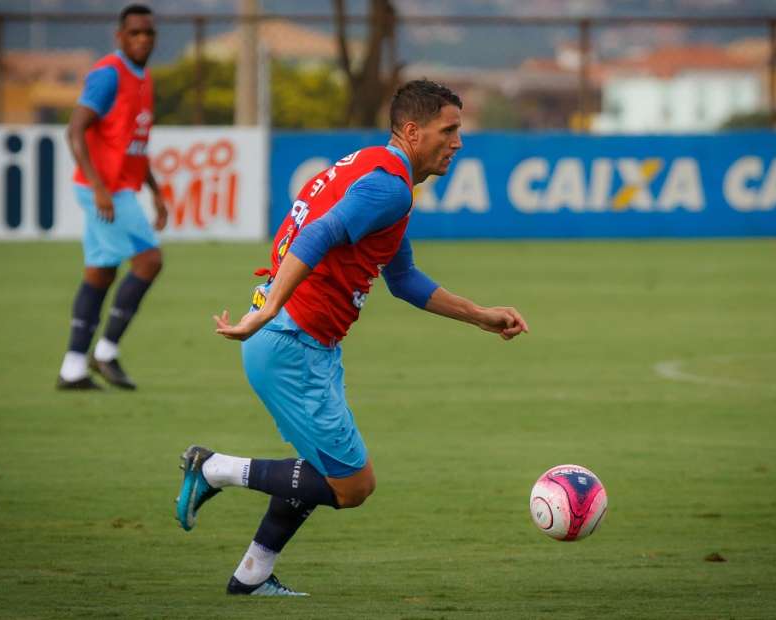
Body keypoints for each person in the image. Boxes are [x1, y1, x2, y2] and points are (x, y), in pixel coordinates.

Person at [175, 79, 529, 596]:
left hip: (298, 340)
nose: (457, 142)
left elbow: (403, 278)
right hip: (291, 341)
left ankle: (250, 576)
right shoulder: (388, 187)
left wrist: (480, 315)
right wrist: (270, 308)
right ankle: (214, 468)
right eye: (448, 130)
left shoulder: (375, 170)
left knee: (322, 469)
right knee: (353, 487)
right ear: (412, 131)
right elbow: (318, 235)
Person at [56, 4, 167, 391]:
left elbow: (135, 144)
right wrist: (99, 187)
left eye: (148, 33)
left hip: (119, 188)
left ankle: (72, 368)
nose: (143, 39)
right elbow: (75, 130)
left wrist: (156, 192)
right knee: (150, 260)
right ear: (119, 37)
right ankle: (105, 351)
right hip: (104, 191)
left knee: (101, 272)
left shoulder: (144, 78)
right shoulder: (108, 74)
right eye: (135, 33)